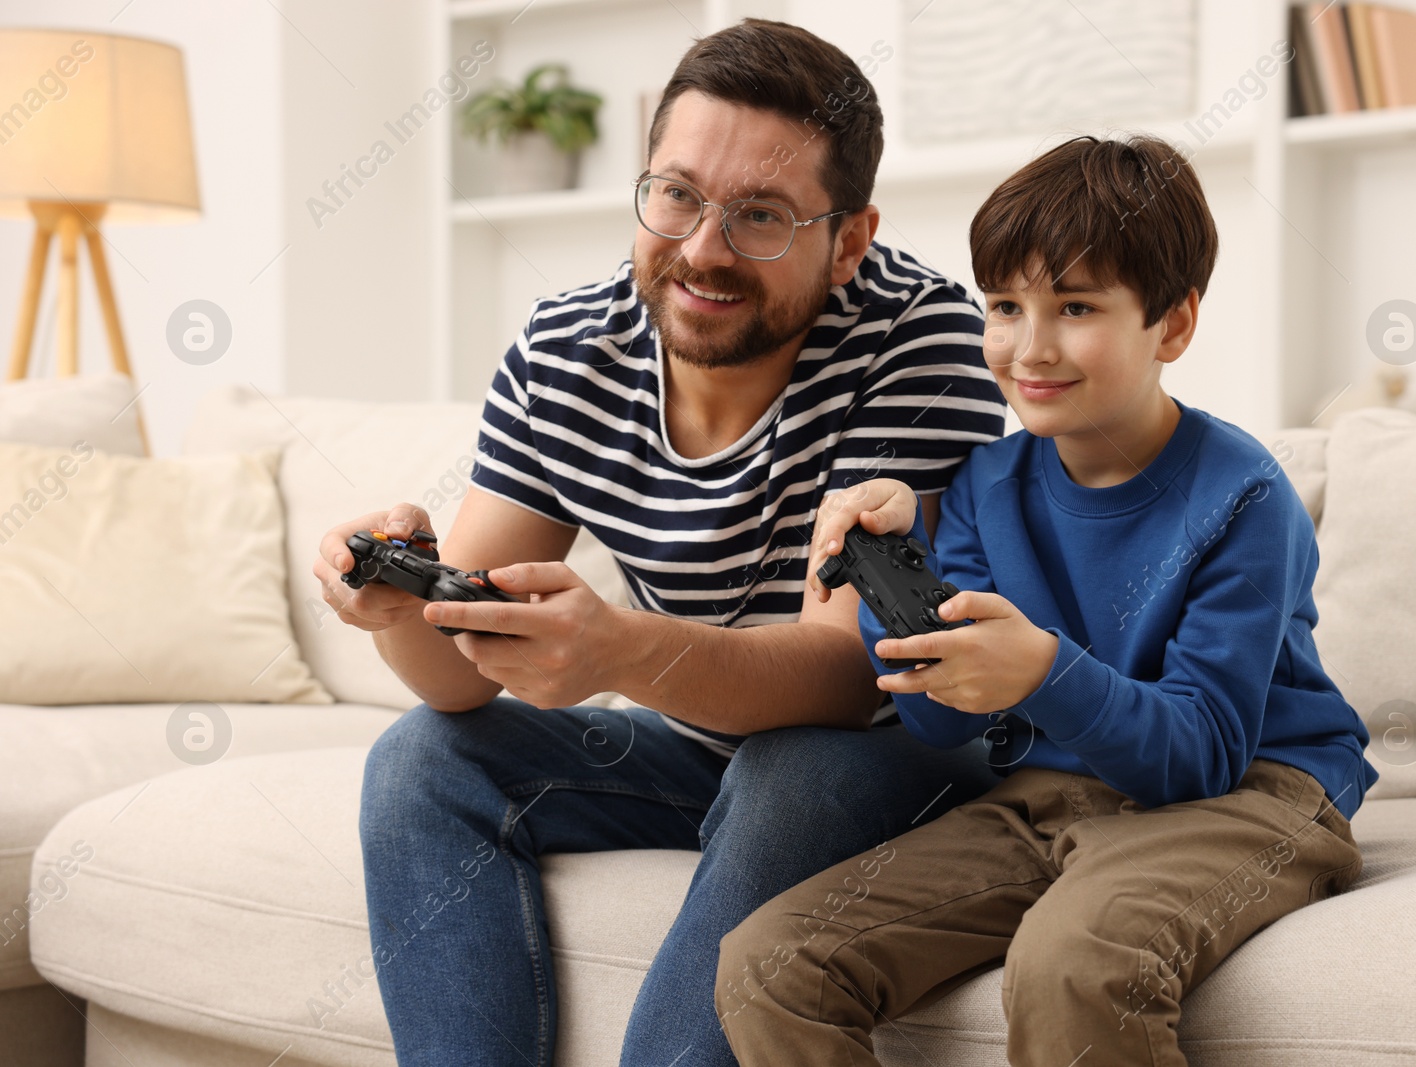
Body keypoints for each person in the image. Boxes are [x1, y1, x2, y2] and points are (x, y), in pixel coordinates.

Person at [310, 19, 1009, 1067]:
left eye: (760, 216)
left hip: (900, 743)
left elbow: (846, 672)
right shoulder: (565, 351)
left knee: (792, 771)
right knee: (420, 760)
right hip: (700, 742)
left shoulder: (920, 339)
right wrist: (395, 606)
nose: (702, 249)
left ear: (850, 239)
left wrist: (619, 652)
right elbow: (455, 683)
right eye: (676, 193)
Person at [714, 133, 1381, 1066]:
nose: (1030, 347)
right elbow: (946, 731)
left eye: (1074, 306)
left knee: (1073, 963)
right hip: (1047, 792)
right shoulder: (986, 485)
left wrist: (1043, 671)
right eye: (1004, 305)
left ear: (1173, 325)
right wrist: (893, 586)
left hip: (1252, 789)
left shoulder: (1243, 495)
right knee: (771, 961)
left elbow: (1202, 754)